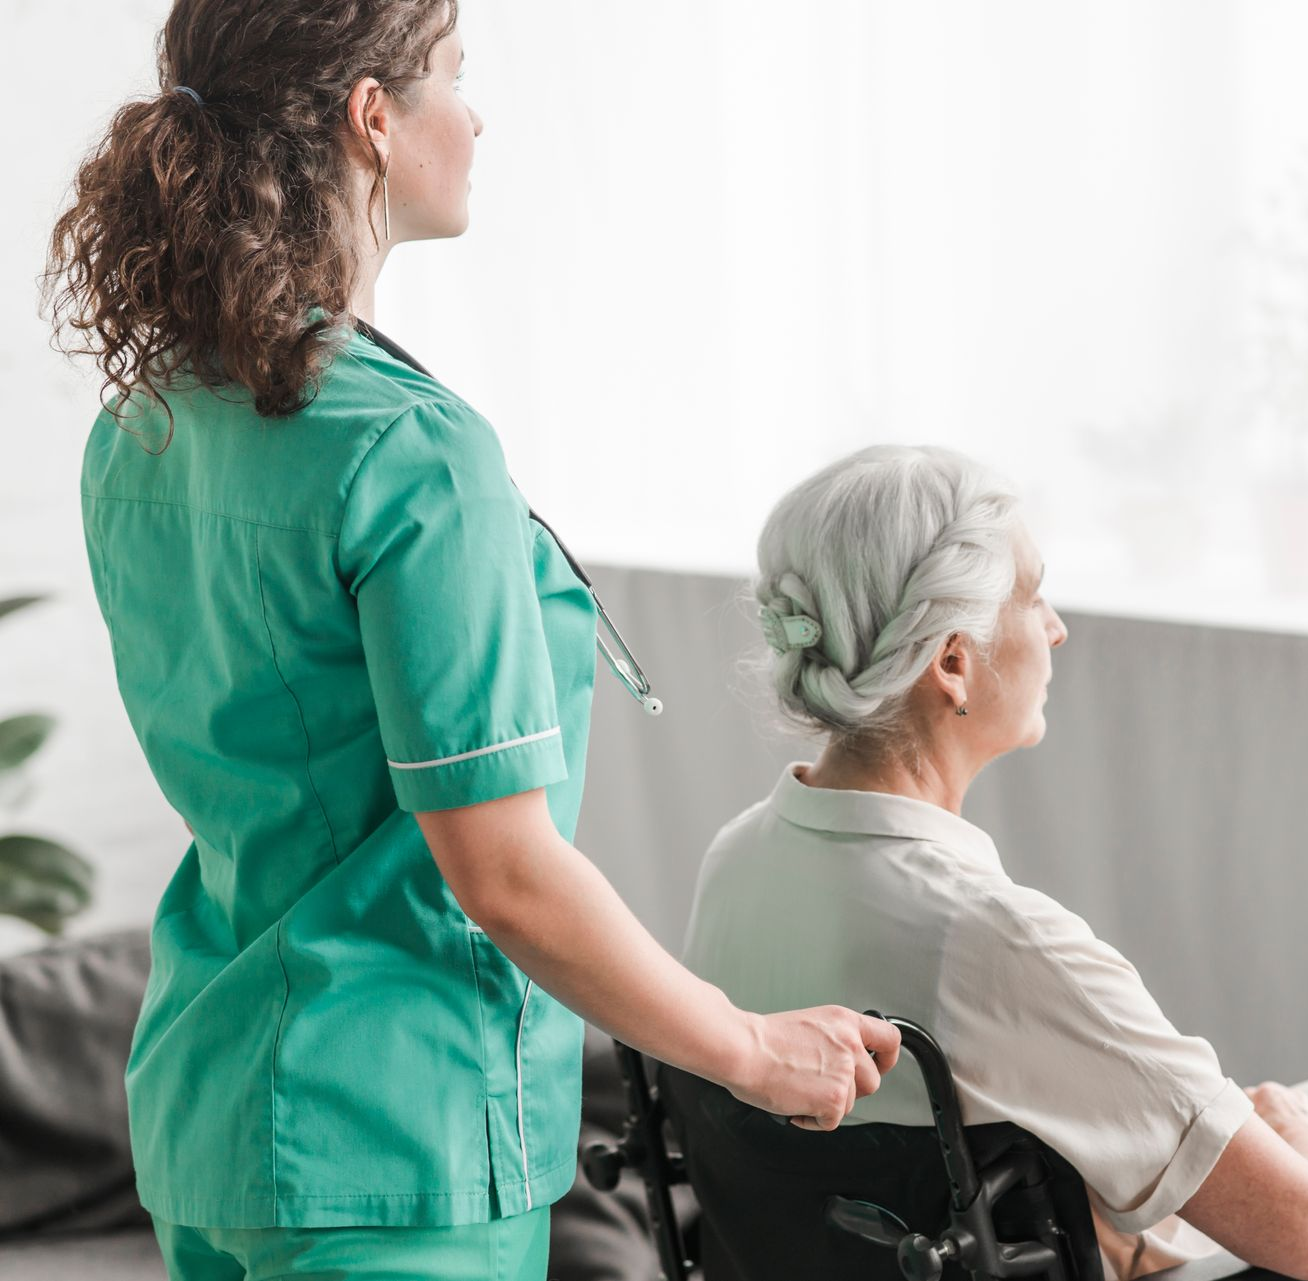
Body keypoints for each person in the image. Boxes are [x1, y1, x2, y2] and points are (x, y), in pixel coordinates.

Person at [41, 3, 900, 1278]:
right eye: (453, 76)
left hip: (212, 1120)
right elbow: (501, 869)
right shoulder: (412, 452)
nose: (477, 114)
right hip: (396, 1151)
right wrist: (749, 1049)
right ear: (370, 119)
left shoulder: (145, 425)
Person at [680, 444, 1308, 1281]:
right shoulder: (996, 941)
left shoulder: (734, 862)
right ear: (952, 662)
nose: (1056, 627)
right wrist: (1277, 1144)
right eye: (1034, 595)